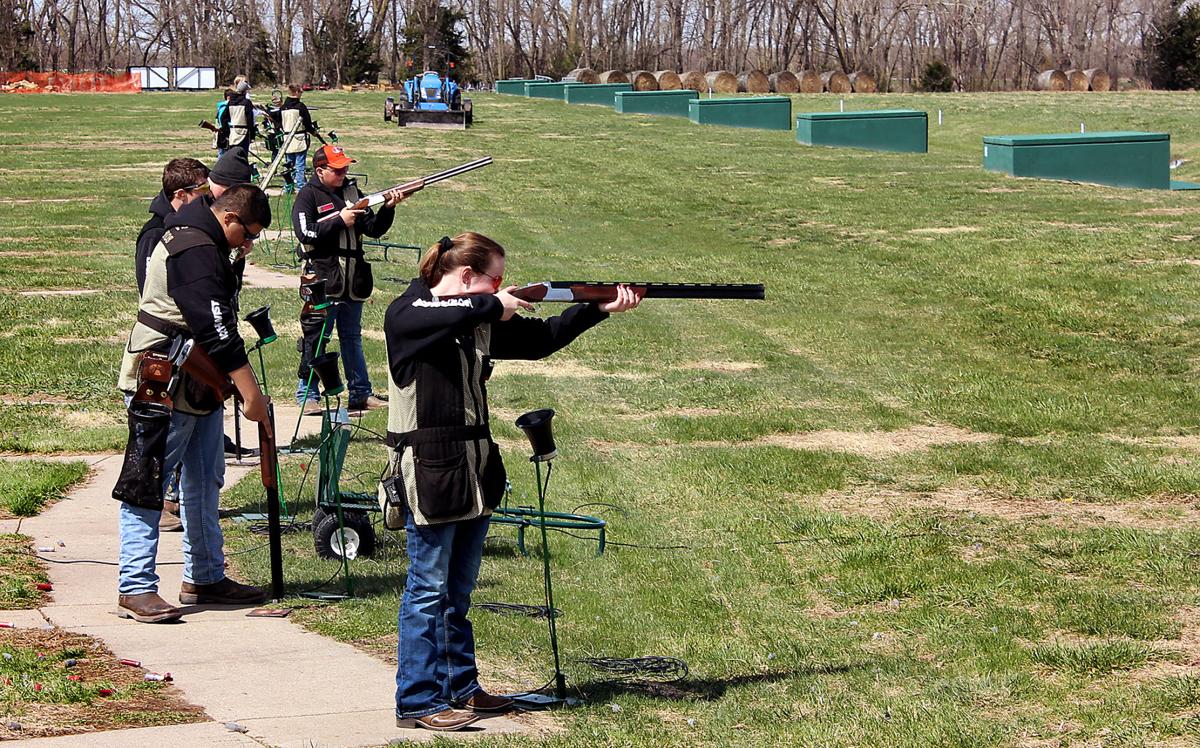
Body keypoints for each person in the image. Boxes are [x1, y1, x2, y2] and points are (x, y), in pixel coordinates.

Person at [382, 232, 641, 731]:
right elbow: (425, 316)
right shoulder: (409, 312)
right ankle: (417, 700)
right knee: (427, 591)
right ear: (464, 278)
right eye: (495, 279)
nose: (502, 287)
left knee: (457, 592)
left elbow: (540, 340)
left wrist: (597, 308)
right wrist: (491, 305)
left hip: (474, 469)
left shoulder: (468, 318)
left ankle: (461, 687)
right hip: (432, 472)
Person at [114, 185, 274, 623]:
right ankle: (136, 586)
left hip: (199, 376)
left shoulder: (206, 239)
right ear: (230, 218)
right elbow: (214, 326)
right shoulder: (195, 246)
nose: (248, 244)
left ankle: (204, 576)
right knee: (148, 479)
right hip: (164, 371)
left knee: (205, 479)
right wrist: (250, 393)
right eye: (248, 234)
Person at [292, 144, 404, 414]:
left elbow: (374, 229)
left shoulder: (352, 191)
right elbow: (305, 233)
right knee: (318, 337)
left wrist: (388, 207)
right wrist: (340, 220)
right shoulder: (307, 195)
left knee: (351, 337)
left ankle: (361, 392)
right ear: (320, 171)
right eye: (337, 169)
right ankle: (307, 393)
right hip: (323, 276)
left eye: (345, 168)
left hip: (352, 276)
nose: (344, 172)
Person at [279, 84, 319, 193]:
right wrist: (313, 132)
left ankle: (289, 186)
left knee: (289, 164)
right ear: (296, 93)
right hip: (299, 137)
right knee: (300, 164)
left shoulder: (282, 108)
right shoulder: (301, 107)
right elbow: (307, 123)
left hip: (287, 138)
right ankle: (301, 186)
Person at [218, 79, 255, 157]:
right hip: (244, 132)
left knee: (233, 156)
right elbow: (250, 120)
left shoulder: (231, 102)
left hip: (233, 132)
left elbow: (223, 118)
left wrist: (226, 131)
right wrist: (252, 134)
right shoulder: (247, 103)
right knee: (243, 156)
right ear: (245, 91)